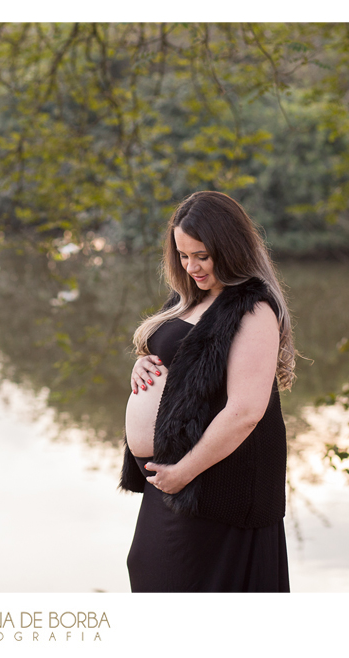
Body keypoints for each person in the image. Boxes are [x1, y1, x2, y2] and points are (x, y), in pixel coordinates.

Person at [120, 190, 296, 592]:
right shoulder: (189, 297)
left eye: (201, 255)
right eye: (183, 255)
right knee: (149, 570)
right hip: (169, 482)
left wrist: (184, 472)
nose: (191, 266)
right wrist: (142, 364)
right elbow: (180, 362)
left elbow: (246, 410)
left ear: (229, 247)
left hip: (211, 487)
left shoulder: (253, 308)